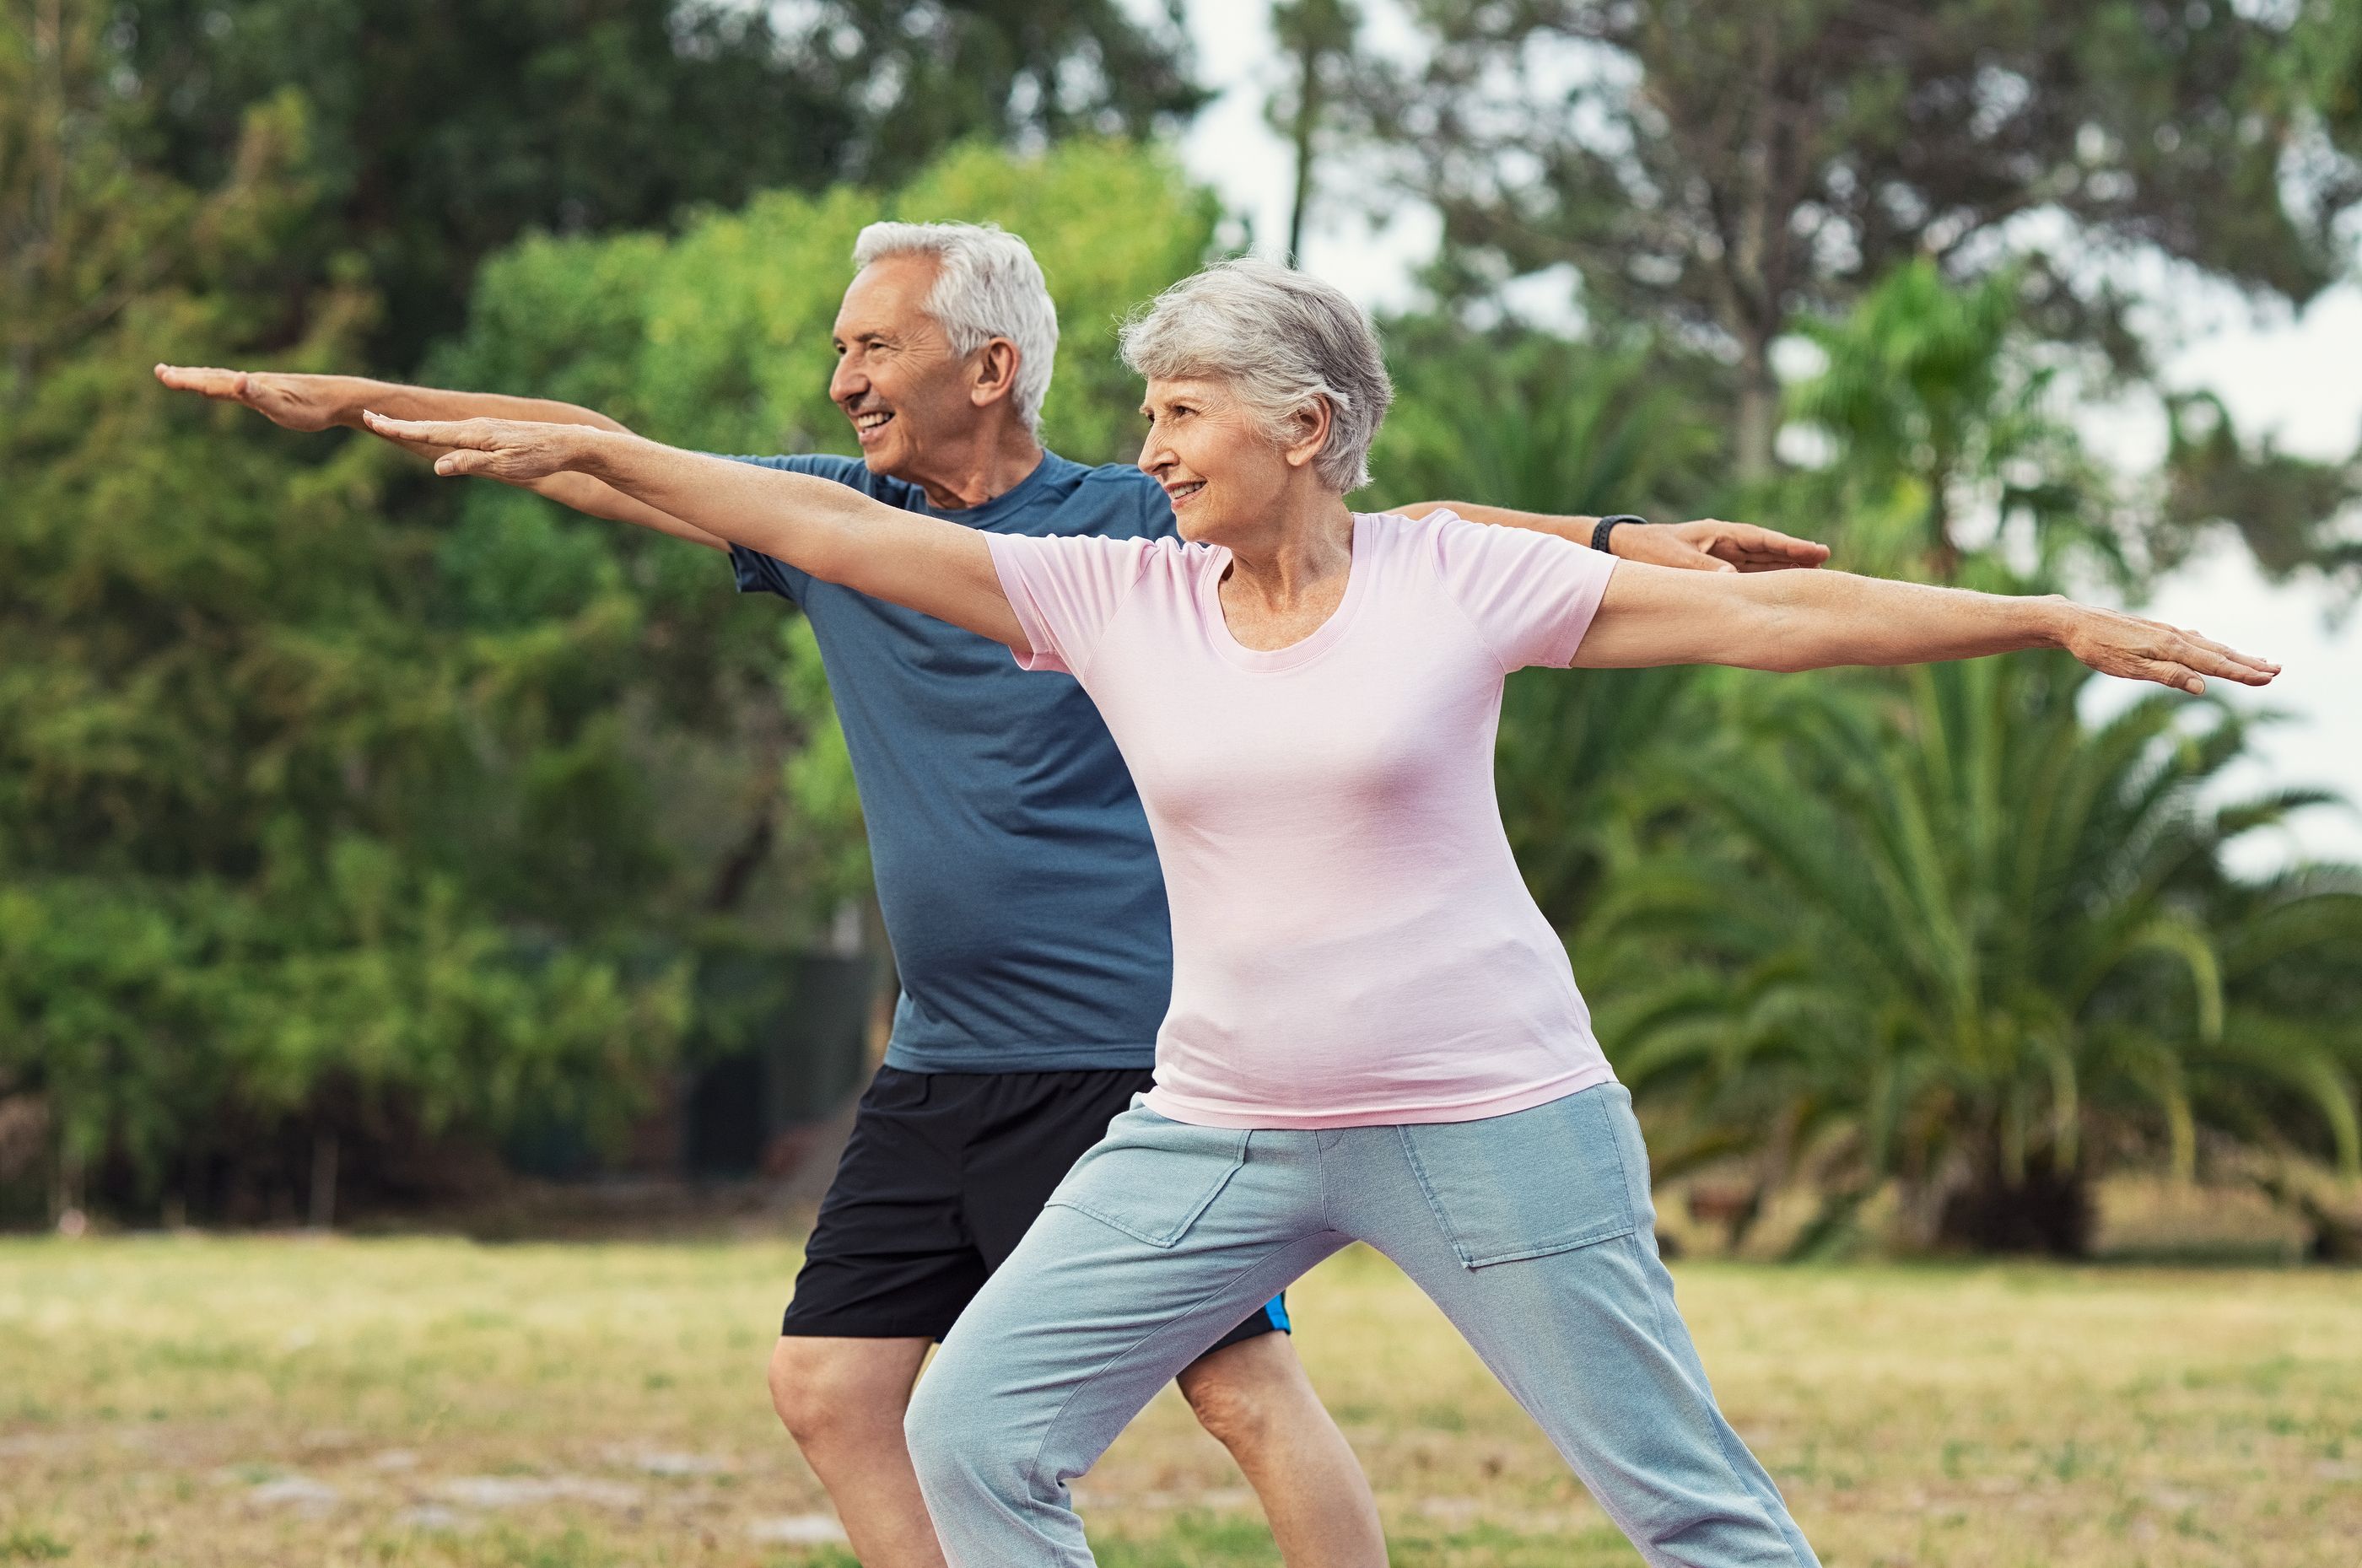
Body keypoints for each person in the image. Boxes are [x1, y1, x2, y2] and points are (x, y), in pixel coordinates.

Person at [355, 256, 2275, 1566]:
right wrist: (600, 447)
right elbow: (836, 529)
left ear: (1304, 426)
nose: (1156, 443)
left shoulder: (1453, 581)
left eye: (1183, 408)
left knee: (1687, 1512)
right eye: (1147, 409)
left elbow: (1775, 623)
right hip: (1221, 1122)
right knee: (973, 1440)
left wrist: (2035, 617)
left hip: (1486, 1115)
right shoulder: (1117, 600)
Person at [154, 223, 1831, 1568]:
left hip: (1124, 1045)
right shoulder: (844, 520)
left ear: (989, 363)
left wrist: (1615, 534)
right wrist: (362, 401)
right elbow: (608, 460)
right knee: (832, 1385)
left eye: (872, 346)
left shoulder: (1124, 526)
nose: (843, 376)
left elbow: (1393, 528)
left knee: (1240, 1398)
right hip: (946, 1047)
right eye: (839, 352)